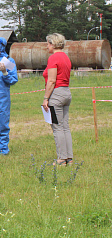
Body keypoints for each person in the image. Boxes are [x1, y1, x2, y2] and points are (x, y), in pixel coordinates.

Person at [42, 33, 73, 166]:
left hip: (56, 94)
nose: (47, 46)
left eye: (48, 43)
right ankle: (69, 158)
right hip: (66, 92)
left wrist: (46, 98)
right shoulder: (66, 57)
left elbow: (52, 80)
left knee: (57, 128)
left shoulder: (53, 58)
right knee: (65, 127)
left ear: (53, 44)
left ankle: (61, 159)